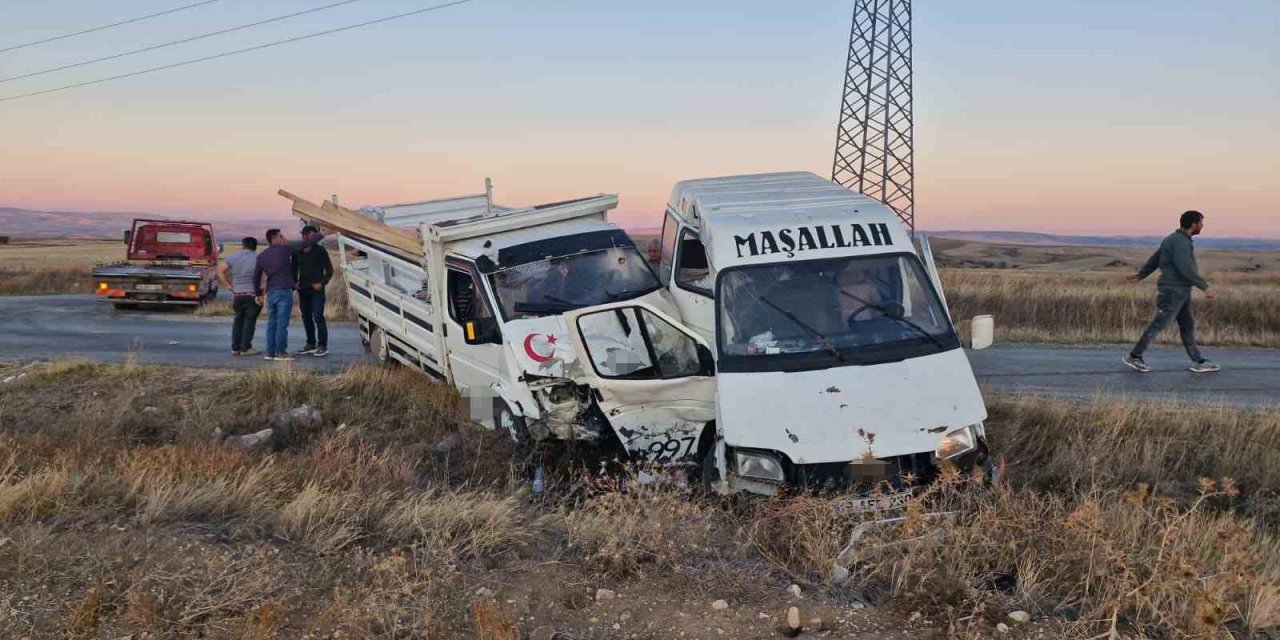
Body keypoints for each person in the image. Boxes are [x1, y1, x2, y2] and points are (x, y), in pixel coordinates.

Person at [1123, 211, 1220, 374]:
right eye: (1201, 223)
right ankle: (1135, 355)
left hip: (1181, 290)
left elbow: (1156, 258)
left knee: (1187, 325)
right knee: (1160, 323)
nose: (1202, 226)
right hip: (1173, 290)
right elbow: (1185, 268)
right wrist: (1204, 286)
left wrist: (1142, 274)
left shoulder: (1174, 239)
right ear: (1193, 224)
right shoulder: (1180, 242)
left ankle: (1198, 361)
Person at [254, 229, 298, 361]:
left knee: (272, 322)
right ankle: (280, 353)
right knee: (282, 323)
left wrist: (258, 294)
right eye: (281, 236)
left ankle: (270, 352)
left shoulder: (261, 256)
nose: (284, 238)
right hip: (284, 291)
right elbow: (304, 243)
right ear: (274, 238)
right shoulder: (284, 250)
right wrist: (323, 234)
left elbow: (256, 277)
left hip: (271, 292)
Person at [217, 236, 261, 356]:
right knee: (249, 322)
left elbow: (220, 270)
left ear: (243, 245)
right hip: (253, 294)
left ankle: (235, 347)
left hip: (238, 294)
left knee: (238, 321)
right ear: (255, 246)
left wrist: (228, 285)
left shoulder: (234, 257)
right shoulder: (259, 258)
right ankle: (245, 348)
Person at [294, 225, 333, 357]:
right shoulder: (297, 251)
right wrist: (295, 283)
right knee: (306, 317)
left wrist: (322, 283)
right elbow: (292, 269)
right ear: (305, 236)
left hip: (316, 290)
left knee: (318, 316)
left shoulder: (320, 250)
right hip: (303, 290)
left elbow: (329, 271)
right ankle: (310, 344)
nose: (315, 238)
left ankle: (322, 345)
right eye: (313, 235)